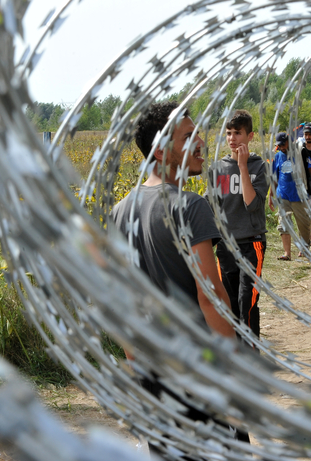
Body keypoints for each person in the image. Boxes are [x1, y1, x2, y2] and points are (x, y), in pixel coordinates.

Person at [110, 102, 243, 451]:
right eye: (188, 137)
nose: (201, 142)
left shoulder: (119, 212)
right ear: (159, 150)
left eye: (197, 132)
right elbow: (210, 294)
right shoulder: (189, 207)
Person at [209, 110, 268, 343]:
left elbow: (252, 204)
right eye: (229, 133)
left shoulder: (259, 167)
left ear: (250, 136)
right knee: (230, 304)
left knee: (248, 302)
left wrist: (243, 167)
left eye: (238, 133)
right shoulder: (218, 169)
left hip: (251, 244)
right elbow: (212, 207)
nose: (233, 139)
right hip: (226, 246)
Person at [270, 132, 311, 260]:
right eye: (279, 145)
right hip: (283, 194)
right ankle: (287, 253)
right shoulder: (278, 156)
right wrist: (271, 195)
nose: (281, 147)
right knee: (284, 224)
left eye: (283, 144)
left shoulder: (301, 152)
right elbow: (275, 177)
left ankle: (304, 248)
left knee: (304, 224)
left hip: (299, 196)